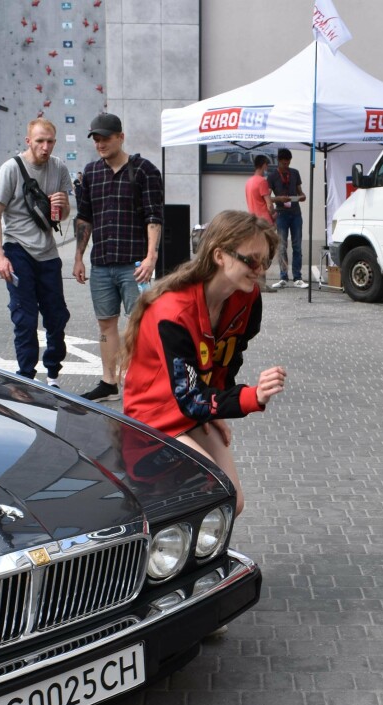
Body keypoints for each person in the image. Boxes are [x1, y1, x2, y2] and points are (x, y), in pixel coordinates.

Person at [120, 210, 286, 516]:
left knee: (231, 502)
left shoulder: (246, 298)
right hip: (154, 418)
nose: (259, 269)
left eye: (264, 261)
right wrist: (250, 397)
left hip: (188, 409)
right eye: (251, 260)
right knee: (210, 501)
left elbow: (229, 359)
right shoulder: (172, 312)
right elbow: (191, 399)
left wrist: (216, 406)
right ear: (219, 255)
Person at [73, 112, 164, 402]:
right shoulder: (90, 173)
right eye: (96, 139)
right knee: (105, 324)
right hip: (101, 264)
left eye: (106, 138)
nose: (100, 144)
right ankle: (109, 382)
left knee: (142, 324)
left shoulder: (144, 170)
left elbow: (154, 215)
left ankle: (143, 384)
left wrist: (151, 258)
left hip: (135, 264)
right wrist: (78, 258)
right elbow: (84, 218)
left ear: (120, 137)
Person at [0, 117, 75, 385]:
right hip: (17, 250)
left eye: (50, 141)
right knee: (25, 318)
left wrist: (63, 205)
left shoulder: (58, 167)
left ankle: (53, 374)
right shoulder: (11, 169)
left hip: (48, 253)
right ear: (28, 141)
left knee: (56, 316)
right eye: (39, 141)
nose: (45, 147)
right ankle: (26, 375)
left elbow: (62, 215)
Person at [266, 148, 307, 290]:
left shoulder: (294, 173)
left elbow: (301, 192)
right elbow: (268, 197)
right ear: (278, 161)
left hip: (296, 213)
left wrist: (301, 196)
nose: (286, 166)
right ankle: (283, 276)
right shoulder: (272, 176)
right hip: (281, 214)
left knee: (297, 246)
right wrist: (279, 198)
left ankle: (298, 277)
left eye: (288, 163)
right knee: (282, 246)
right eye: (283, 163)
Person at [245, 154, 273, 222]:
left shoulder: (248, 181)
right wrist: (274, 214)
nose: (267, 167)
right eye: (267, 165)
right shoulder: (262, 181)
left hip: (253, 220)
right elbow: (269, 205)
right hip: (264, 220)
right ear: (264, 165)